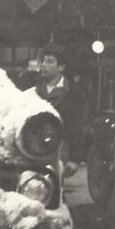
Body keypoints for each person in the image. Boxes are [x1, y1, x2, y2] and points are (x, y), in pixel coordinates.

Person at [34, 44, 84, 174]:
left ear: (61, 67)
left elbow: (77, 126)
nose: (44, 65)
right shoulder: (32, 89)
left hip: (61, 153)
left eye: (50, 61)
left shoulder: (74, 93)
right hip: (33, 149)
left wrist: (74, 158)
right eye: (43, 61)